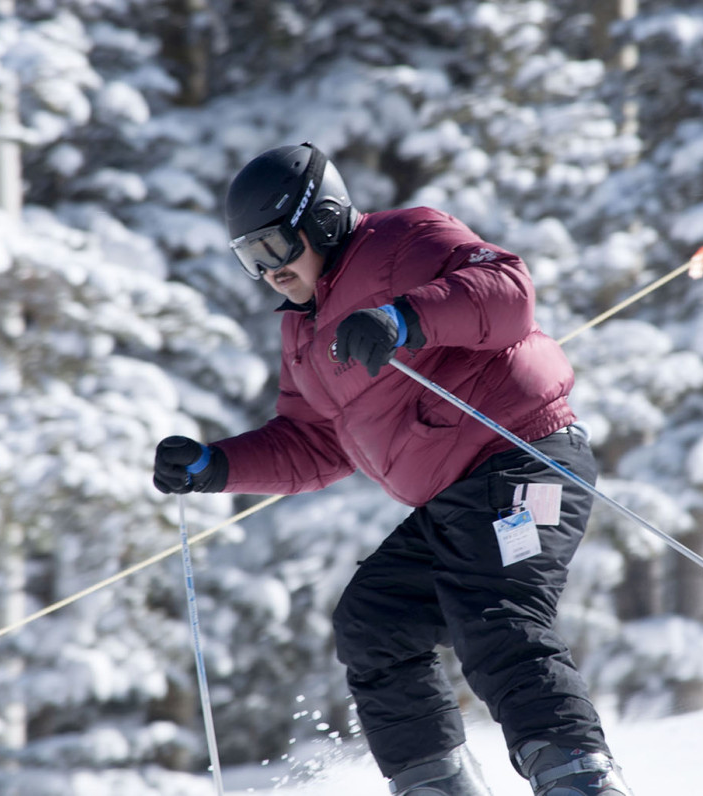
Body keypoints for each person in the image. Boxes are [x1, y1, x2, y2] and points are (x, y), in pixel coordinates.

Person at [153, 142, 633, 796]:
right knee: (374, 620)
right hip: (456, 502)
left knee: (498, 612)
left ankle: (581, 780)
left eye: (274, 248)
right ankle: (434, 784)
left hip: (526, 461)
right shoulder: (303, 332)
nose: (267, 272)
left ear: (320, 220)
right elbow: (314, 441)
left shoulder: (405, 238)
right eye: (249, 259)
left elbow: (510, 292)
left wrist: (405, 317)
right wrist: (215, 466)